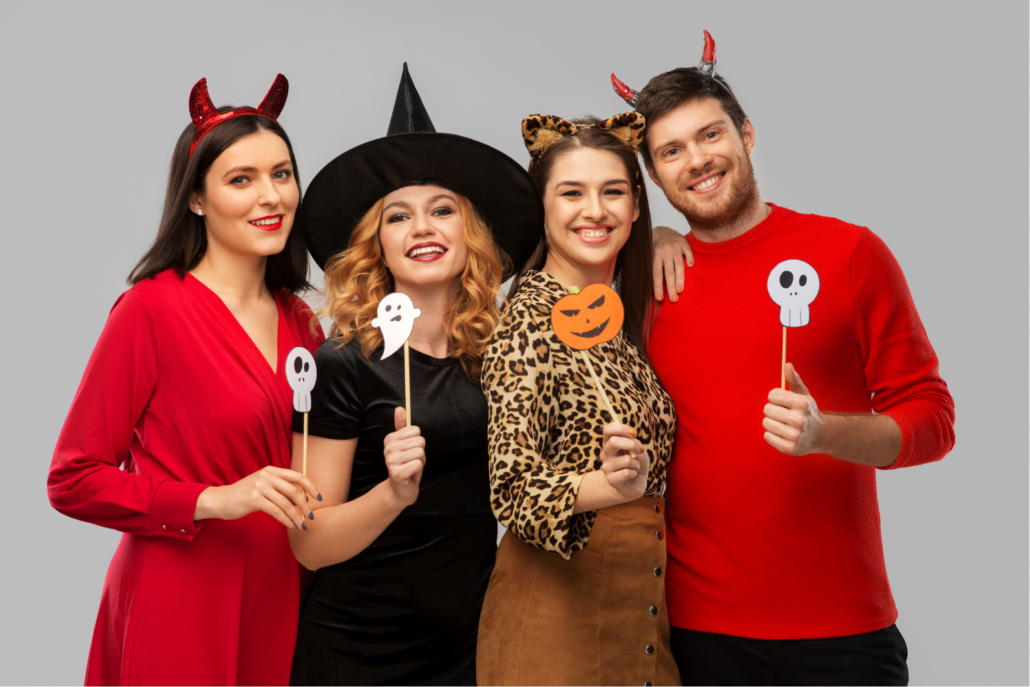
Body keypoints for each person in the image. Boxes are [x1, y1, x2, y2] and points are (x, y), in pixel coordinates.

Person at [609, 32, 956, 685]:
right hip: (694, 631)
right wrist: (646, 239)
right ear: (654, 176)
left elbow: (933, 422)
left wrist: (828, 432)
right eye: (671, 151)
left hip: (843, 631)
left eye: (710, 135)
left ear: (746, 132)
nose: (697, 161)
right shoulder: (645, 285)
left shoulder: (850, 253)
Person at [48, 75, 324, 685]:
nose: (270, 196)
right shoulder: (150, 312)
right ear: (196, 199)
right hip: (181, 595)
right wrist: (212, 499)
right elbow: (72, 479)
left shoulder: (302, 320)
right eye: (241, 179)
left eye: (282, 174)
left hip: (285, 594)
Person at [286, 64, 542, 686]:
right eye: (397, 216)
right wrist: (391, 495)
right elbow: (309, 542)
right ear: (378, 245)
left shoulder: (499, 355)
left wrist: (660, 233)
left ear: (471, 233)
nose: (422, 227)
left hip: (470, 649)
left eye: (442, 210)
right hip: (357, 654)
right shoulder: (343, 365)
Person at [476, 112, 681, 686]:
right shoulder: (528, 324)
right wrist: (606, 485)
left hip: (640, 616)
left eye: (613, 191)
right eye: (572, 193)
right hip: (554, 622)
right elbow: (512, 491)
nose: (595, 211)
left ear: (637, 207)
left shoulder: (619, 319)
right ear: (542, 208)